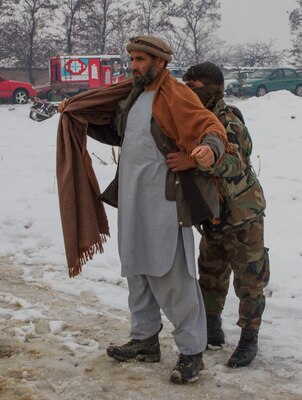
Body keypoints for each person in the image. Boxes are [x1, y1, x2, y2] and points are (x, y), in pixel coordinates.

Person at [59, 37, 230, 383]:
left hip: (165, 202)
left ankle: (192, 351)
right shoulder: (134, 93)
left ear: (160, 61)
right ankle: (144, 340)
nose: (134, 65)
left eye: (141, 59)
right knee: (136, 269)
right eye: (133, 58)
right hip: (134, 199)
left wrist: (209, 150)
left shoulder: (176, 94)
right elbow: (122, 133)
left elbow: (209, 127)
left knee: (171, 276)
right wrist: (79, 117)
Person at [166, 62, 270, 368]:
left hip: (242, 216)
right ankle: (211, 328)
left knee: (250, 279)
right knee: (211, 275)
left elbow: (234, 164)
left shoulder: (228, 121)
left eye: (195, 86)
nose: (188, 91)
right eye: (185, 85)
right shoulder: (195, 120)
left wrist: (194, 162)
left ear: (215, 88)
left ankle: (249, 337)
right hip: (213, 217)